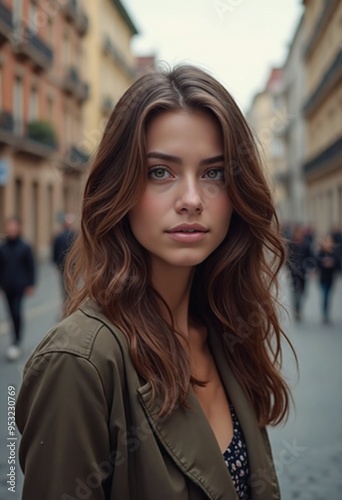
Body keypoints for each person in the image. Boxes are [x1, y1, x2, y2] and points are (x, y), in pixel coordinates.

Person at [15, 65, 295, 499]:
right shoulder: (79, 364)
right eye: (160, 172)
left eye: (214, 173)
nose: (191, 199)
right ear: (119, 187)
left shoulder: (228, 333)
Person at [0, 216, 35, 361]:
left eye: (14, 227)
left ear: (19, 228)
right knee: (10, 313)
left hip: (20, 285)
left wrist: (31, 284)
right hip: (7, 285)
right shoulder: (2, 247)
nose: (11, 230)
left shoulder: (25, 247)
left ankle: (17, 340)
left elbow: (31, 267)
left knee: (16, 311)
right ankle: (15, 339)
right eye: (9, 227)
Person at [286, 225, 313, 321]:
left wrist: (311, 268)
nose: (298, 235)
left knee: (303, 292)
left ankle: (299, 306)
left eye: (300, 233)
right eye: (297, 233)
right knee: (295, 292)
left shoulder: (306, 244)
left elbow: (311, 257)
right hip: (294, 272)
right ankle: (297, 308)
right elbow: (287, 258)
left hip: (304, 272)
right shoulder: (290, 244)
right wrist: (288, 269)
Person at [52, 212, 77, 315]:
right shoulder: (75, 235)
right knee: (71, 286)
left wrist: (57, 264)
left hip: (66, 266)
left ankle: (68, 307)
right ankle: (70, 306)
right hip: (71, 266)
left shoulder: (60, 236)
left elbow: (54, 253)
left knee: (66, 287)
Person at [316, 234, 340, 324]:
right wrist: (324, 263)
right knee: (325, 295)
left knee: (328, 296)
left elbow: (338, 264)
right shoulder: (321, 252)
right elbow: (317, 262)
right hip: (323, 278)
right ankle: (325, 313)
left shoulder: (335, 252)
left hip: (331, 278)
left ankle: (326, 312)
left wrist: (332, 263)